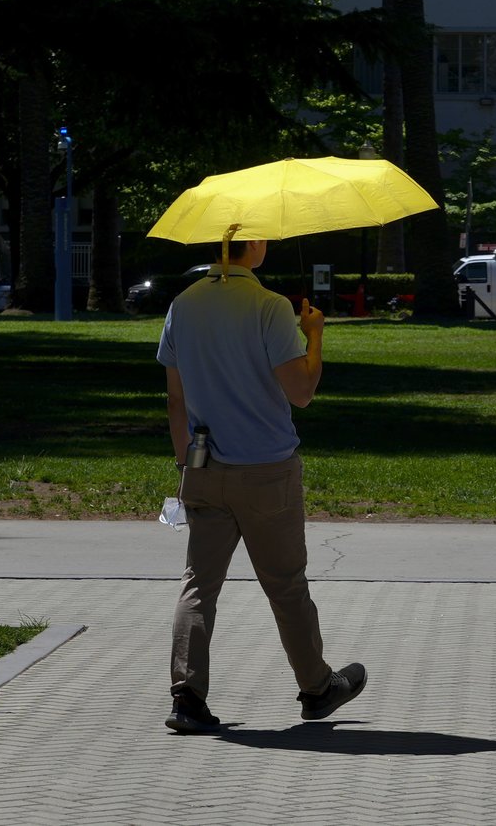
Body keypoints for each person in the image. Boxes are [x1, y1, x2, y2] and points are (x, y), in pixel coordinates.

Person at [157, 237, 366, 733]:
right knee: (286, 586)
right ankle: (317, 688)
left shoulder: (182, 305)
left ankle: (186, 699)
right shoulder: (269, 307)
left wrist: (186, 465)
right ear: (251, 243)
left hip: (203, 466)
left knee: (197, 586)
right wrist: (314, 334)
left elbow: (175, 400)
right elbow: (302, 391)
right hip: (267, 469)